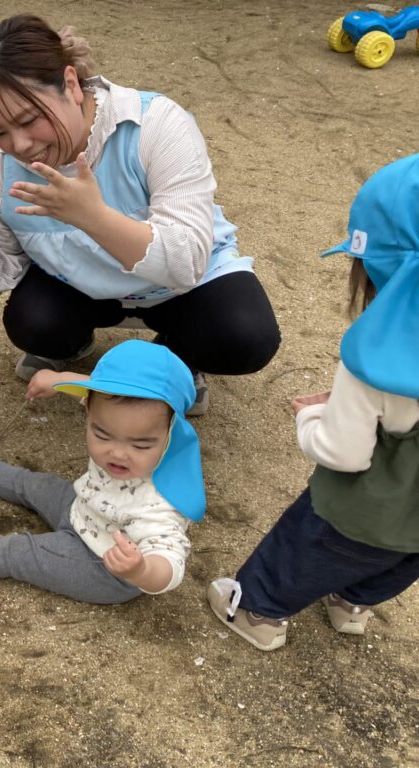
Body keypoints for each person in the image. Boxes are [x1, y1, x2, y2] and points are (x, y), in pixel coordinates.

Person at [0, 14, 280, 415]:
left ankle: (174, 360)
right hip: (82, 287)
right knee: (32, 323)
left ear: (71, 84)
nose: (19, 145)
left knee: (245, 336)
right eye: (0, 132)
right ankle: (76, 343)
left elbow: (186, 260)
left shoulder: (155, 124)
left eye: (29, 120)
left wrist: (93, 217)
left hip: (180, 290)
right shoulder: (0, 168)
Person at [208, 154, 419, 651]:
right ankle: (352, 605)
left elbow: (344, 453)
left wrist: (313, 416)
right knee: (400, 559)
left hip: (361, 509)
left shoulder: (371, 364)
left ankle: (258, 612)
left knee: (305, 549)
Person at [0, 340, 205, 604]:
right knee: (38, 484)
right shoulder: (115, 411)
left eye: (140, 444)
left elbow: (170, 563)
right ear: (88, 411)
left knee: (15, 552)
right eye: (102, 434)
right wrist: (56, 380)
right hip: (82, 508)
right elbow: (98, 390)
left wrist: (140, 570)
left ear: (172, 435)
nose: (118, 453)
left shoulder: (160, 502)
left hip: (100, 563)